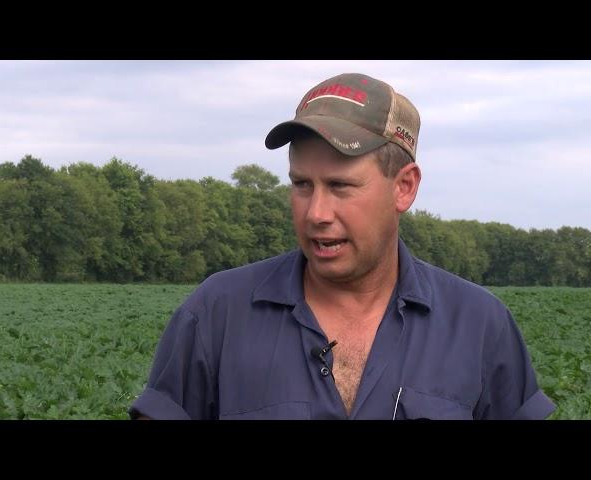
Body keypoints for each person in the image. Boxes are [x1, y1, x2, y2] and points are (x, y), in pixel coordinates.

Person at [129, 73, 556, 420]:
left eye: (340, 186)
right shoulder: (216, 313)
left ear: (404, 188)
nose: (315, 212)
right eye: (301, 184)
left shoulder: (480, 324)